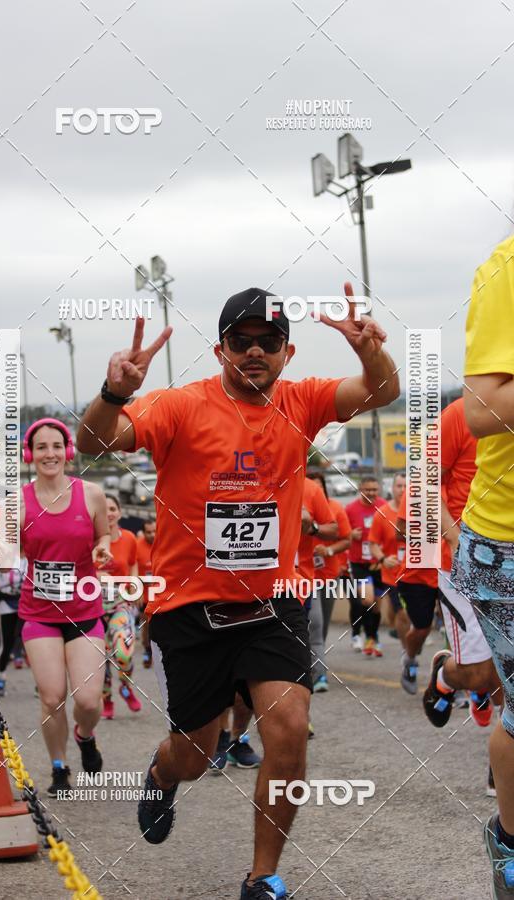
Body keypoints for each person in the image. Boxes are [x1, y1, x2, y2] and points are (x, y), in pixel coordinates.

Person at [78, 283, 399, 898]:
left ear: (287, 352)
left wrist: (369, 352)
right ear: (221, 349)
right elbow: (94, 442)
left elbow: (383, 390)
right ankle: (161, 774)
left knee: (289, 729)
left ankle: (262, 877)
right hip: (190, 607)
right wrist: (115, 392)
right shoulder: (179, 406)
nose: (256, 351)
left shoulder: (302, 401)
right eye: (241, 340)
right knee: (196, 756)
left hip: (272, 603)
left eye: (269, 341)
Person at [456, 237, 514, 896]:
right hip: (500, 544)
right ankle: (509, 841)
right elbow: (482, 409)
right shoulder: (507, 268)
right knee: (496, 689)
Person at [19, 417, 111, 797]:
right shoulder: (17, 502)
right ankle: (59, 767)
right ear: (30, 454)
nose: (50, 454)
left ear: (68, 451)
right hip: (39, 613)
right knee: (52, 696)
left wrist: (102, 547)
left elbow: (104, 534)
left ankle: (85, 735)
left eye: (56, 446)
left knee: (88, 701)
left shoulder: (91, 494)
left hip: (84, 611)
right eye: (41, 447)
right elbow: (4, 553)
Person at [422, 398, 501, 732]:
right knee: (479, 673)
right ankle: (446, 675)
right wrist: (454, 539)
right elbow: (424, 481)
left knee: (505, 673)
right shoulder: (461, 414)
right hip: (463, 563)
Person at [96, 493, 142, 718]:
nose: (109, 513)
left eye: (113, 509)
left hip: (120, 602)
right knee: (101, 657)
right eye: (104, 509)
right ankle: (107, 699)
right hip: (93, 605)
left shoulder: (129, 538)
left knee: (123, 653)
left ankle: (125, 685)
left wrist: (134, 586)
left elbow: (132, 563)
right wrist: (95, 575)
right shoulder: (89, 541)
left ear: (120, 512)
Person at [395, 490, 439, 694]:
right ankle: (410, 659)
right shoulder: (417, 488)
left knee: (456, 628)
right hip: (417, 576)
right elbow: (400, 532)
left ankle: (454, 685)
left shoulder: (463, 486)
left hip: (451, 573)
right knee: (422, 629)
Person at [296, 476, 338, 694]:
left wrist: (311, 527)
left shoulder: (311, 489)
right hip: (265, 581)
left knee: (314, 629)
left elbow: (335, 531)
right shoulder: (256, 481)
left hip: (304, 579)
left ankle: (318, 675)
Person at [345, 476, 387, 656]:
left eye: (374, 490)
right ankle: (359, 634)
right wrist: (350, 534)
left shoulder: (384, 506)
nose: (371, 493)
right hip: (358, 563)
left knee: (376, 605)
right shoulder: (350, 509)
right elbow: (341, 533)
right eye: (367, 490)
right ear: (360, 489)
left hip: (378, 563)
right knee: (366, 600)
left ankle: (373, 636)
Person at [309, 472, 352, 642]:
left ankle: (318, 654)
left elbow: (347, 540)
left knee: (323, 624)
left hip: (328, 576)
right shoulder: (297, 506)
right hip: (303, 577)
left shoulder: (335, 508)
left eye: (318, 487)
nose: (315, 490)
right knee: (312, 622)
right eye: (311, 487)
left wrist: (329, 551)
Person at [369, 473, 409, 646]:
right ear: (392, 488)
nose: (402, 490)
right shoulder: (382, 514)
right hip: (393, 574)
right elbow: (373, 544)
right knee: (402, 614)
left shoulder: (420, 511)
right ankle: (408, 652)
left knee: (411, 615)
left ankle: (410, 637)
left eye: (406, 486)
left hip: (417, 572)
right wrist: (383, 559)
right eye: (399, 486)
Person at [0, 557, 28, 696]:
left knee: (31, 645)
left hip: (26, 604)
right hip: (6, 603)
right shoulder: (1, 555)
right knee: (6, 644)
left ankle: (42, 684)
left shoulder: (30, 555)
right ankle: (0, 678)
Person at [136, 517, 156, 668]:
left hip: (161, 594)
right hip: (144, 595)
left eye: (154, 531)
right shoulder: (137, 546)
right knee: (146, 626)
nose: (152, 534)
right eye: (148, 532)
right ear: (143, 533)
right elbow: (132, 569)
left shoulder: (163, 544)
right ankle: (147, 650)